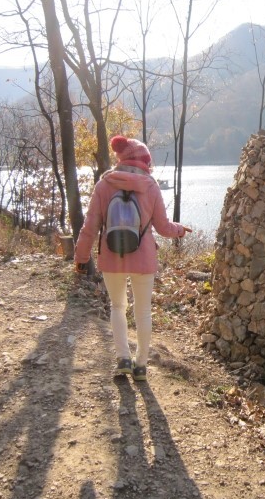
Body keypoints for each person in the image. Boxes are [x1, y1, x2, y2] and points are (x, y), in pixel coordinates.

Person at [74, 136, 191, 381]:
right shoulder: (151, 186)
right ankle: (141, 365)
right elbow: (163, 227)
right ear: (145, 161)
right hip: (143, 258)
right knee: (143, 311)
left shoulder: (104, 185)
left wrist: (81, 258)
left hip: (111, 256)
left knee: (117, 307)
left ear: (122, 159)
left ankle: (123, 359)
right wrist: (180, 230)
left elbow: (89, 228)